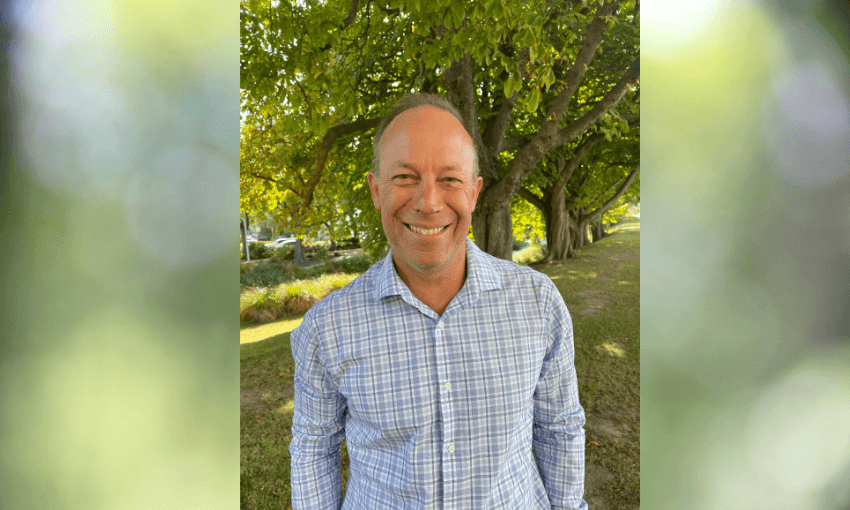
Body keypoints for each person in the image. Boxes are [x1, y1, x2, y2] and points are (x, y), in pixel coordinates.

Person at [290, 93, 587, 509]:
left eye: (449, 179)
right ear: (377, 190)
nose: (428, 203)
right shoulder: (327, 328)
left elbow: (560, 428)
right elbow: (312, 449)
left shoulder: (539, 304)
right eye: (405, 177)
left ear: (474, 193)